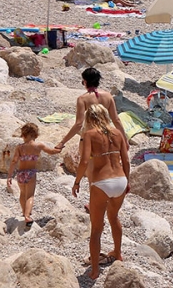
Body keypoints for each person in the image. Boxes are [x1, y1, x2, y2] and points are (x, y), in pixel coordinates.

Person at [72, 104, 131, 280]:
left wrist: (77, 181)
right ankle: (118, 253)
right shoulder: (117, 133)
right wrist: (127, 181)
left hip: (101, 183)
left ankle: (95, 270)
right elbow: (126, 160)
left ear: (90, 118)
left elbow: (83, 161)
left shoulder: (89, 134)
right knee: (114, 218)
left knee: (96, 228)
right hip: (120, 180)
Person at [55, 68, 128, 154]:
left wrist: (62, 142)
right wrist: (124, 139)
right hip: (107, 134)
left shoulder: (82, 99)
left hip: (91, 135)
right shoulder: (108, 96)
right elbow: (116, 120)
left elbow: (79, 124)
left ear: (85, 81)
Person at [7, 122, 61, 224]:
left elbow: (14, 161)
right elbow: (52, 152)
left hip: (20, 173)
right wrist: (60, 147)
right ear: (35, 134)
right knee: (30, 196)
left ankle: (24, 212)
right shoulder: (38, 146)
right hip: (31, 173)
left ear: (23, 134)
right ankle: (27, 216)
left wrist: (9, 176)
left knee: (22, 194)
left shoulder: (19, 147)